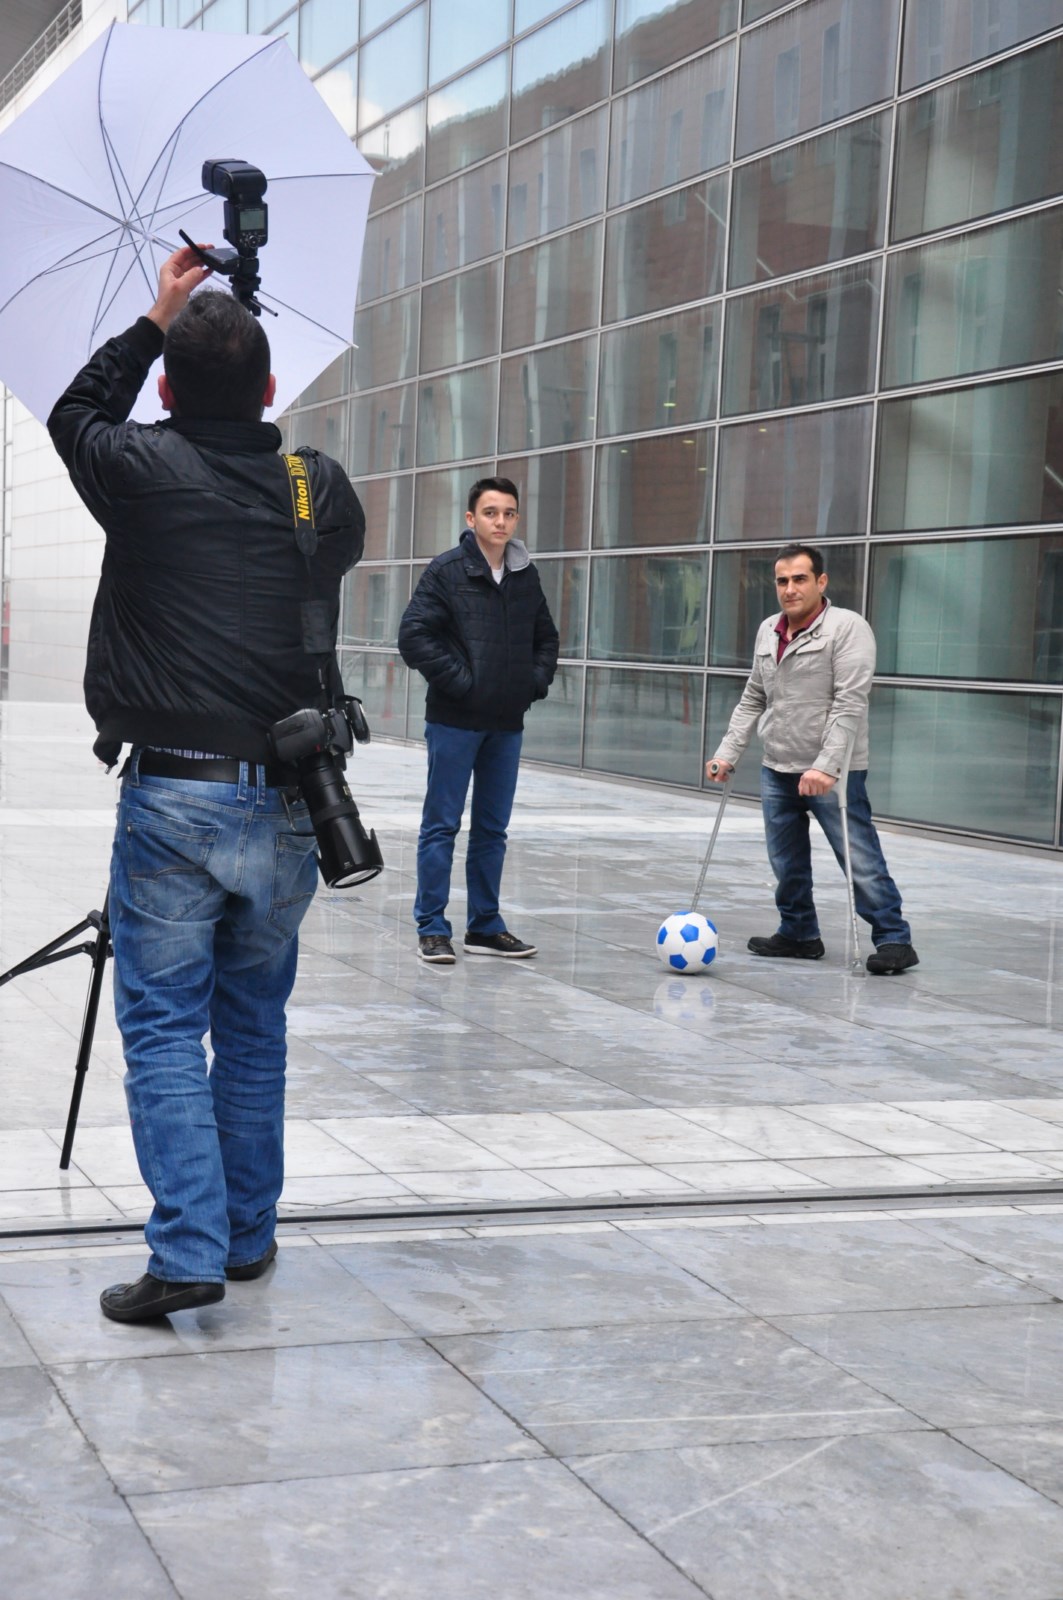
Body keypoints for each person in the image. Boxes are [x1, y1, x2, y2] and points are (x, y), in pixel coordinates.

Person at [47, 246, 365, 1321]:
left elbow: (75, 413)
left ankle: (186, 1248)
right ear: (270, 389)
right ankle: (244, 1237)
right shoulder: (319, 487)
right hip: (293, 800)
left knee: (164, 1028)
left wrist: (157, 318)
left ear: (168, 392)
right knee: (254, 1024)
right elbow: (299, 524)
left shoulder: (138, 471)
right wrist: (226, 347)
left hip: (174, 801)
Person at [707, 543, 918, 976]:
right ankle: (799, 933)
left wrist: (826, 766)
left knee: (859, 858)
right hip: (777, 765)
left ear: (821, 582)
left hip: (833, 772)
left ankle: (894, 939)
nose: (790, 589)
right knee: (785, 862)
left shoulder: (848, 629)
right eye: (782, 581)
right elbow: (754, 696)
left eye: (800, 579)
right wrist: (727, 753)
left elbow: (849, 702)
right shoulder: (768, 630)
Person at [398, 476, 558, 963]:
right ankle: (432, 927)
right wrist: (464, 684)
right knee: (441, 825)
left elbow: (547, 639)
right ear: (471, 519)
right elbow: (413, 636)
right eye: (491, 513)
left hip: (506, 725)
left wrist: (529, 684)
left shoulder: (525, 575)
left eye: (508, 513)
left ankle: (484, 926)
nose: (500, 521)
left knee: (492, 830)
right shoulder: (447, 571)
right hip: (454, 721)